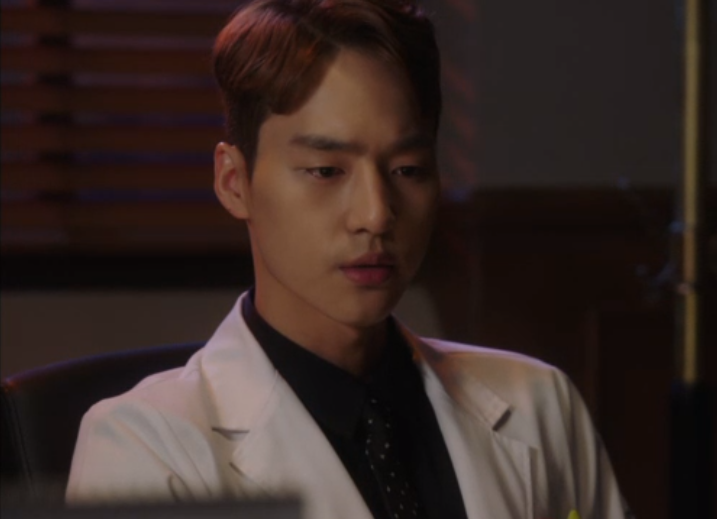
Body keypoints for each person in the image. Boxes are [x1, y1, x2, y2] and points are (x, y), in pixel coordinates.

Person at [65, 1, 632, 517]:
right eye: (326, 171)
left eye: (408, 170)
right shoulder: (146, 446)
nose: (376, 214)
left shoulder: (539, 403)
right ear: (234, 182)